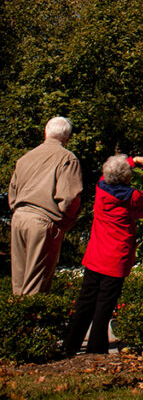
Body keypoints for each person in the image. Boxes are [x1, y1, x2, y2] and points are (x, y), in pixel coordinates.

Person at [64, 154, 143, 356]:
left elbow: (108, 173)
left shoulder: (100, 188)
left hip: (96, 255)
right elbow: (142, 210)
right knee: (104, 305)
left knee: (85, 301)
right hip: (116, 258)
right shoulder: (132, 197)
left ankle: (70, 344)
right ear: (126, 177)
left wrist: (132, 160)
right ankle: (96, 349)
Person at [8, 116, 83, 295]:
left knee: (18, 282)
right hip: (43, 222)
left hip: (19, 218)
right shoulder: (67, 158)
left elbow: (12, 194)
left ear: (46, 132)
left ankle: (17, 320)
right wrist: (65, 223)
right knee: (36, 285)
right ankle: (31, 322)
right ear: (68, 137)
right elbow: (70, 198)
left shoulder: (25, 158)